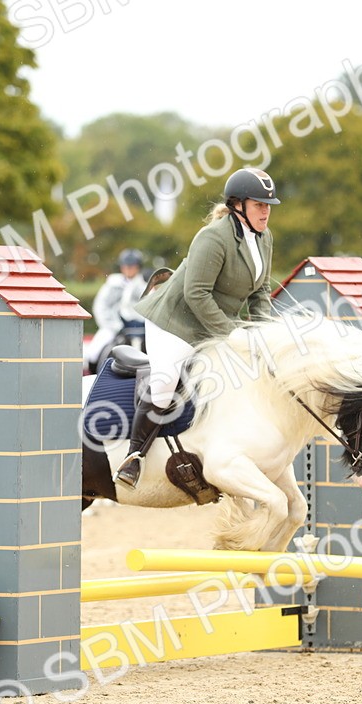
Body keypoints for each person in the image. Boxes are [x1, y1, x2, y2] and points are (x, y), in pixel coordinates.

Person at [114, 167, 279, 488]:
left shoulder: (264, 238)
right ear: (238, 205)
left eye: (268, 205)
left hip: (212, 322)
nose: (266, 211)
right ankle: (134, 458)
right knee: (164, 384)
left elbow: (260, 291)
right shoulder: (213, 237)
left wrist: (264, 332)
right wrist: (231, 333)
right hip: (174, 322)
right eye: (259, 204)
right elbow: (196, 293)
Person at [84, 248, 148, 372]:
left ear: (138, 267)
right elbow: (100, 306)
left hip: (140, 327)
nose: (129, 269)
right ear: (122, 267)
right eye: (126, 266)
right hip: (115, 325)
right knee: (93, 352)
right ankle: (93, 370)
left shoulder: (144, 286)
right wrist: (113, 325)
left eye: (132, 266)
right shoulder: (112, 285)